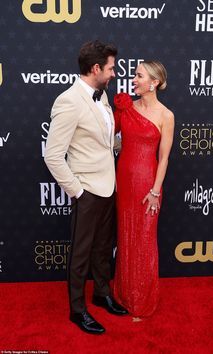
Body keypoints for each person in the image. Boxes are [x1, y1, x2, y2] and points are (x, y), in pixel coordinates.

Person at [44, 40, 128, 335]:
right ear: (96, 69)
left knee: (104, 247)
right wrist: (78, 191)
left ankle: (101, 293)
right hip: (88, 190)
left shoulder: (102, 96)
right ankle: (78, 310)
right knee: (81, 253)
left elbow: (104, 141)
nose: (114, 73)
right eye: (111, 68)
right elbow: (52, 155)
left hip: (109, 185)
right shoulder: (68, 101)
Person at [113, 60, 174, 320]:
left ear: (154, 82)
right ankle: (124, 296)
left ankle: (141, 301)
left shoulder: (166, 115)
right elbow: (109, 137)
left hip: (149, 184)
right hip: (124, 181)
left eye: (139, 76)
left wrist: (156, 191)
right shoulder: (126, 108)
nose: (134, 80)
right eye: (134, 75)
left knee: (145, 240)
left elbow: (165, 157)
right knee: (125, 235)